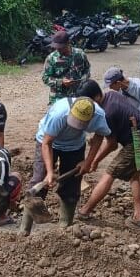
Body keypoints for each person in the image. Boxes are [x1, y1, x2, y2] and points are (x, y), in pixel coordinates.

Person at [21, 80, 110, 234]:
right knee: (39, 181)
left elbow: (99, 136)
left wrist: (88, 162)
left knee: (71, 186)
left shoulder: (98, 115)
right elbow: (47, 143)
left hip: (74, 146)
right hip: (48, 141)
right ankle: (24, 230)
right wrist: (49, 172)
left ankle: (65, 229)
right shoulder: (59, 113)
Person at [76, 83, 140, 228]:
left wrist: (95, 161)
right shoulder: (112, 95)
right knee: (134, 174)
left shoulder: (108, 112)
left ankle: (85, 211)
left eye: (90, 102)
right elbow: (101, 136)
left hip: (139, 141)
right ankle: (138, 217)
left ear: (95, 97)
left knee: (110, 173)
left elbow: (112, 144)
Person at [42, 31, 90, 104]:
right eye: (56, 46)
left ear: (68, 43)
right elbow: (45, 78)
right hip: (59, 98)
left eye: (60, 47)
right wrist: (61, 82)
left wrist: (82, 80)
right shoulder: (51, 58)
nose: (58, 49)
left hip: (78, 95)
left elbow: (87, 70)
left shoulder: (80, 54)